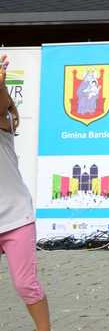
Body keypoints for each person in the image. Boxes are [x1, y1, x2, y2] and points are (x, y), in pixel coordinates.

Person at [0, 54, 51, 331]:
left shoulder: (4, 122)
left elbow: (2, 104)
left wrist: (0, 84)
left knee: (25, 285)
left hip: (16, 218)